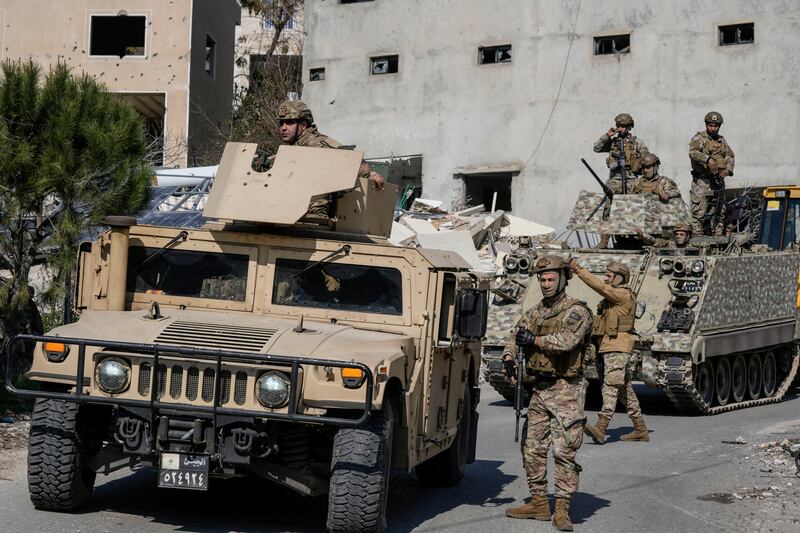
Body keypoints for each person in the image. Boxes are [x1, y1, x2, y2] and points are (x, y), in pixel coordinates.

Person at [503, 255, 592, 531]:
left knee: (564, 452)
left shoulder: (577, 311)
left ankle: (563, 509)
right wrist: (509, 354)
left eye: (551, 278)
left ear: (564, 279)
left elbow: (567, 341)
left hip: (566, 389)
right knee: (532, 448)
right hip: (540, 389)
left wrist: (535, 340)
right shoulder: (537, 311)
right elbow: (516, 333)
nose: (546, 283)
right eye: (542, 279)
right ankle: (540, 503)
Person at [571, 260, 649, 445]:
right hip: (610, 346)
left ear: (619, 277)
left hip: (618, 347)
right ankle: (640, 429)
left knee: (610, 386)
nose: (605, 278)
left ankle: (601, 427)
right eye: (605, 274)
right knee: (625, 391)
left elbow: (599, 286)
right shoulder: (613, 299)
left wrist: (578, 269)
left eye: (608, 275)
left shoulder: (621, 294)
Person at [276, 100, 385, 217]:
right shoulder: (296, 146)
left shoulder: (315, 142)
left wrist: (369, 174)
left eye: (289, 123)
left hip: (313, 213)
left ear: (303, 125)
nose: (283, 128)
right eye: (281, 123)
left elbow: (347, 155)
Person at [593, 113, 650, 248]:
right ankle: (604, 241)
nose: (620, 129)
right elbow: (596, 148)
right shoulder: (612, 142)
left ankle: (636, 238)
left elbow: (647, 157)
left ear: (629, 127)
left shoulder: (637, 143)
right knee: (609, 209)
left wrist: (639, 167)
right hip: (615, 179)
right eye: (618, 126)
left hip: (631, 179)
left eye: (623, 126)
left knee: (632, 209)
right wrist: (607, 135)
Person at [689, 111, 735, 235]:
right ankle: (696, 239)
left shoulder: (721, 140)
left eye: (716, 126)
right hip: (702, 181)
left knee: (719, 211)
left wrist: (728, 169)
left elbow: (730, 155)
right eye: (711, 125)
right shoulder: (699, 138)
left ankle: (718, 238)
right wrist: (708, 159)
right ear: (706, 125)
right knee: (698, 211)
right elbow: (692, 152)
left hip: (717, 180)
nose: (713, 128)